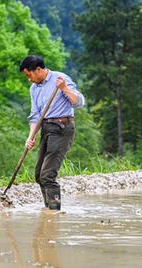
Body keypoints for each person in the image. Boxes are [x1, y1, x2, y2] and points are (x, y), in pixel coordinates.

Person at [20, 55, 85, 210]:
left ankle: (54, 213)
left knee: (47, 175)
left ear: (39, 70)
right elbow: (35, 115)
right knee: (39, 175)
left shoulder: (60, 79)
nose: (29, 79)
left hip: (63, 128)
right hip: (46, 128)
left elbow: (79, 102)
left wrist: (64, 88)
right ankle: (49, 208)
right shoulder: (34, 88)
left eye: (29, 75)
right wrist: (31, 137)